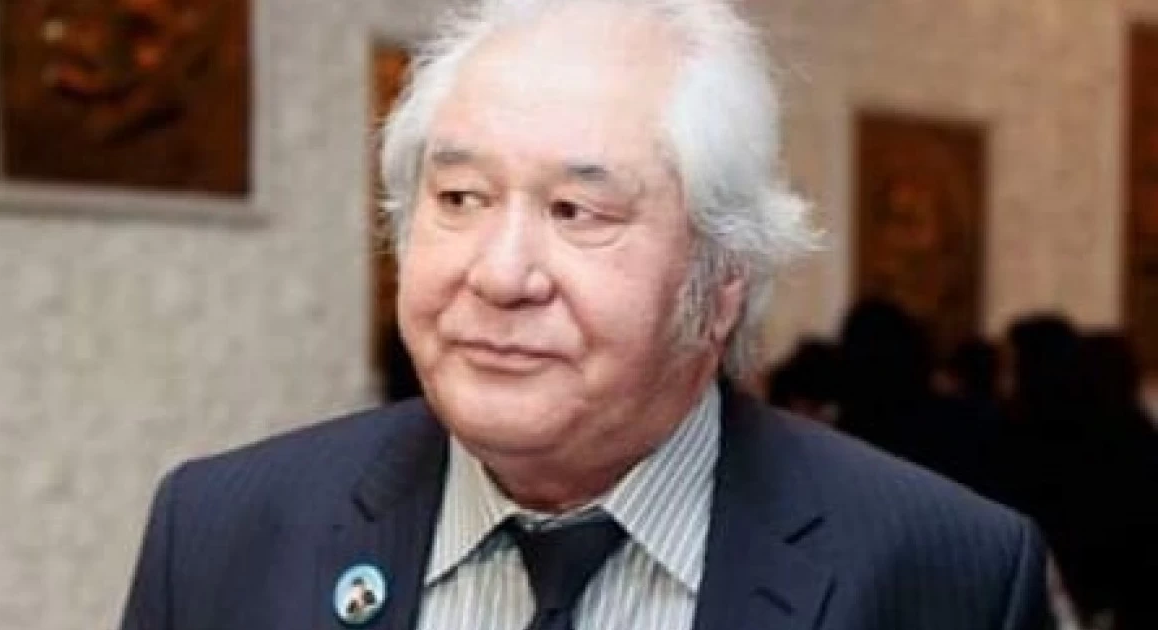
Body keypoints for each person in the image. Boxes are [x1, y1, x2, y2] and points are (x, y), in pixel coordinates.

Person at [119, 1, 1053, 629]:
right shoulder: (222, 534)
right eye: (460, 199)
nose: (501, 274)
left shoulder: (943, 573)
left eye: (577, 212)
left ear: (722, 277)